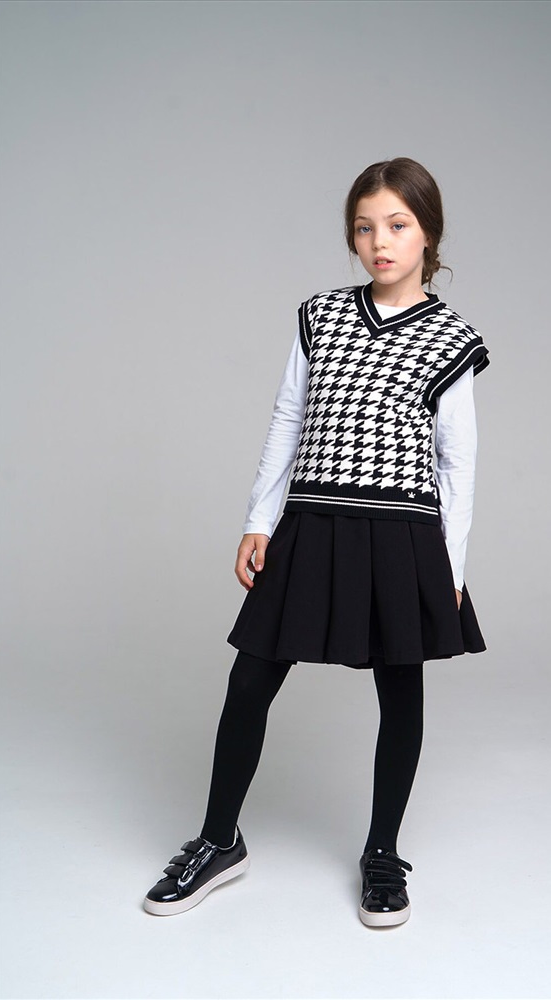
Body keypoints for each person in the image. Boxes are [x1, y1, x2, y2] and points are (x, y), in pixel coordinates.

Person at [143, 157, 491, 928]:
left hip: (401, 532)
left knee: (400, 689)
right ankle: (218, 839)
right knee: (250, 679)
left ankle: (382, 853)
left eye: (396, 224)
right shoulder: (320, 316)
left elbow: (456, 462)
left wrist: (450, 567)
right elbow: (288, 417)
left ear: (427, 233)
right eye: (364, 227)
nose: (379, 242)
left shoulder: (452, 340)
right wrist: (258, 520)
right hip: (312, 521)